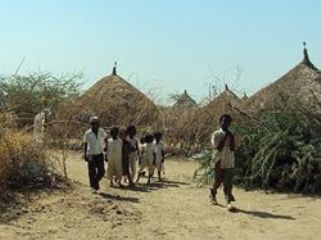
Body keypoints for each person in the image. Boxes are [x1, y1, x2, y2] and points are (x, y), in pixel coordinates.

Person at [209, 114, 236, 210]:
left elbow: (233, 148)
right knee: (217, 180)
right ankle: (213, 193)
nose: (225, 123)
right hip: (218, 160)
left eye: (228, 122)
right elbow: (217, 147)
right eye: (223, 121)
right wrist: (225, 137)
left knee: (228, 182)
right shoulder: (216, 134)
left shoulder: (231, 134)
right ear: (220, 122)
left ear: (230, 123)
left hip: (229, 160)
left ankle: (228, 202)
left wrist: (231, 137)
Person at [83, 116, 107, 193]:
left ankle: (95, 182)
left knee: (102, 171)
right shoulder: (88, 133)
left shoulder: (101, 131)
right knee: (92, 171)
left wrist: (106, 146)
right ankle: (93, 186)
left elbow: (106, 138)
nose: (96, 125)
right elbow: (85, 143)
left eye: (97, 123)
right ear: (91, 124)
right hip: (91, 154)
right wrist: (85, 154)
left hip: (100, 153)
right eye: (94, 123)